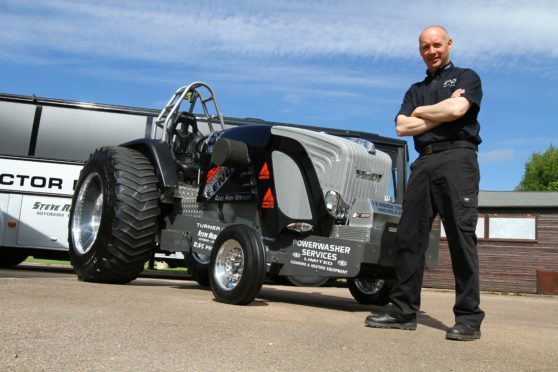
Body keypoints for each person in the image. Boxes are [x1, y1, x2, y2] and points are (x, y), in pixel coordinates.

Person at [365, 25, 485, 341]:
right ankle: (404, 311)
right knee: (409, 237)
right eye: (424, 47)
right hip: (424, 162)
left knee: (461, 235)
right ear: (420, 51)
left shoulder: (466, 78)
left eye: (436, 45)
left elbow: (459, 108)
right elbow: (402, 127)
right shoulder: (414, 90)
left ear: (449, 44)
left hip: (458, 158)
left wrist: (423, 114)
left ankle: (469, 318)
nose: (431, 51)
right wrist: (436, 112)